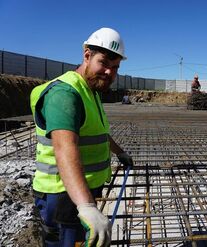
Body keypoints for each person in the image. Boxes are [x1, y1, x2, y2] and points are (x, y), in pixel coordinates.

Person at [30, 27, 134, 247]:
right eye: (104, 63)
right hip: (62, 196)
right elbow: (64, 147)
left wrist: (120, 152)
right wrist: (86, 205)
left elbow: (97, 133)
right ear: (87, 55)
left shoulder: (91, 91)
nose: (109, 72)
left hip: (80, 191)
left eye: (115, 67)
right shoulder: (65, 94)